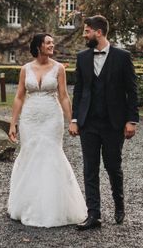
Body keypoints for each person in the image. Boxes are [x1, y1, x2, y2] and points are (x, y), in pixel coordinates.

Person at [7, 33, 88, 227]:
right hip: (30, 118)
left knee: (51, 155)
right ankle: (28, 204)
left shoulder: (59, 68)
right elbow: (19, 97)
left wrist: (72, 120)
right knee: (30, 155)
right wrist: (13, 123)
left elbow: (64, 96)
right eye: (48, 42)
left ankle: (54, 207)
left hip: (52, 117)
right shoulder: (25, 69)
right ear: (38, 46)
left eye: (52, 42)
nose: (52, 45)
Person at [69, 15, 139, 230]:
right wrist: (74, 119)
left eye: (87, 31)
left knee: (112, 166)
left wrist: (132, 120)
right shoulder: (82, 57)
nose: (84, 35)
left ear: (98, 32)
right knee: (90, 168)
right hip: (88, 123)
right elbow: (79, 90)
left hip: (113, 123)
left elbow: (132, 91)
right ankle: (94, 215)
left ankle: (119, 205)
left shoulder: (122, 57)